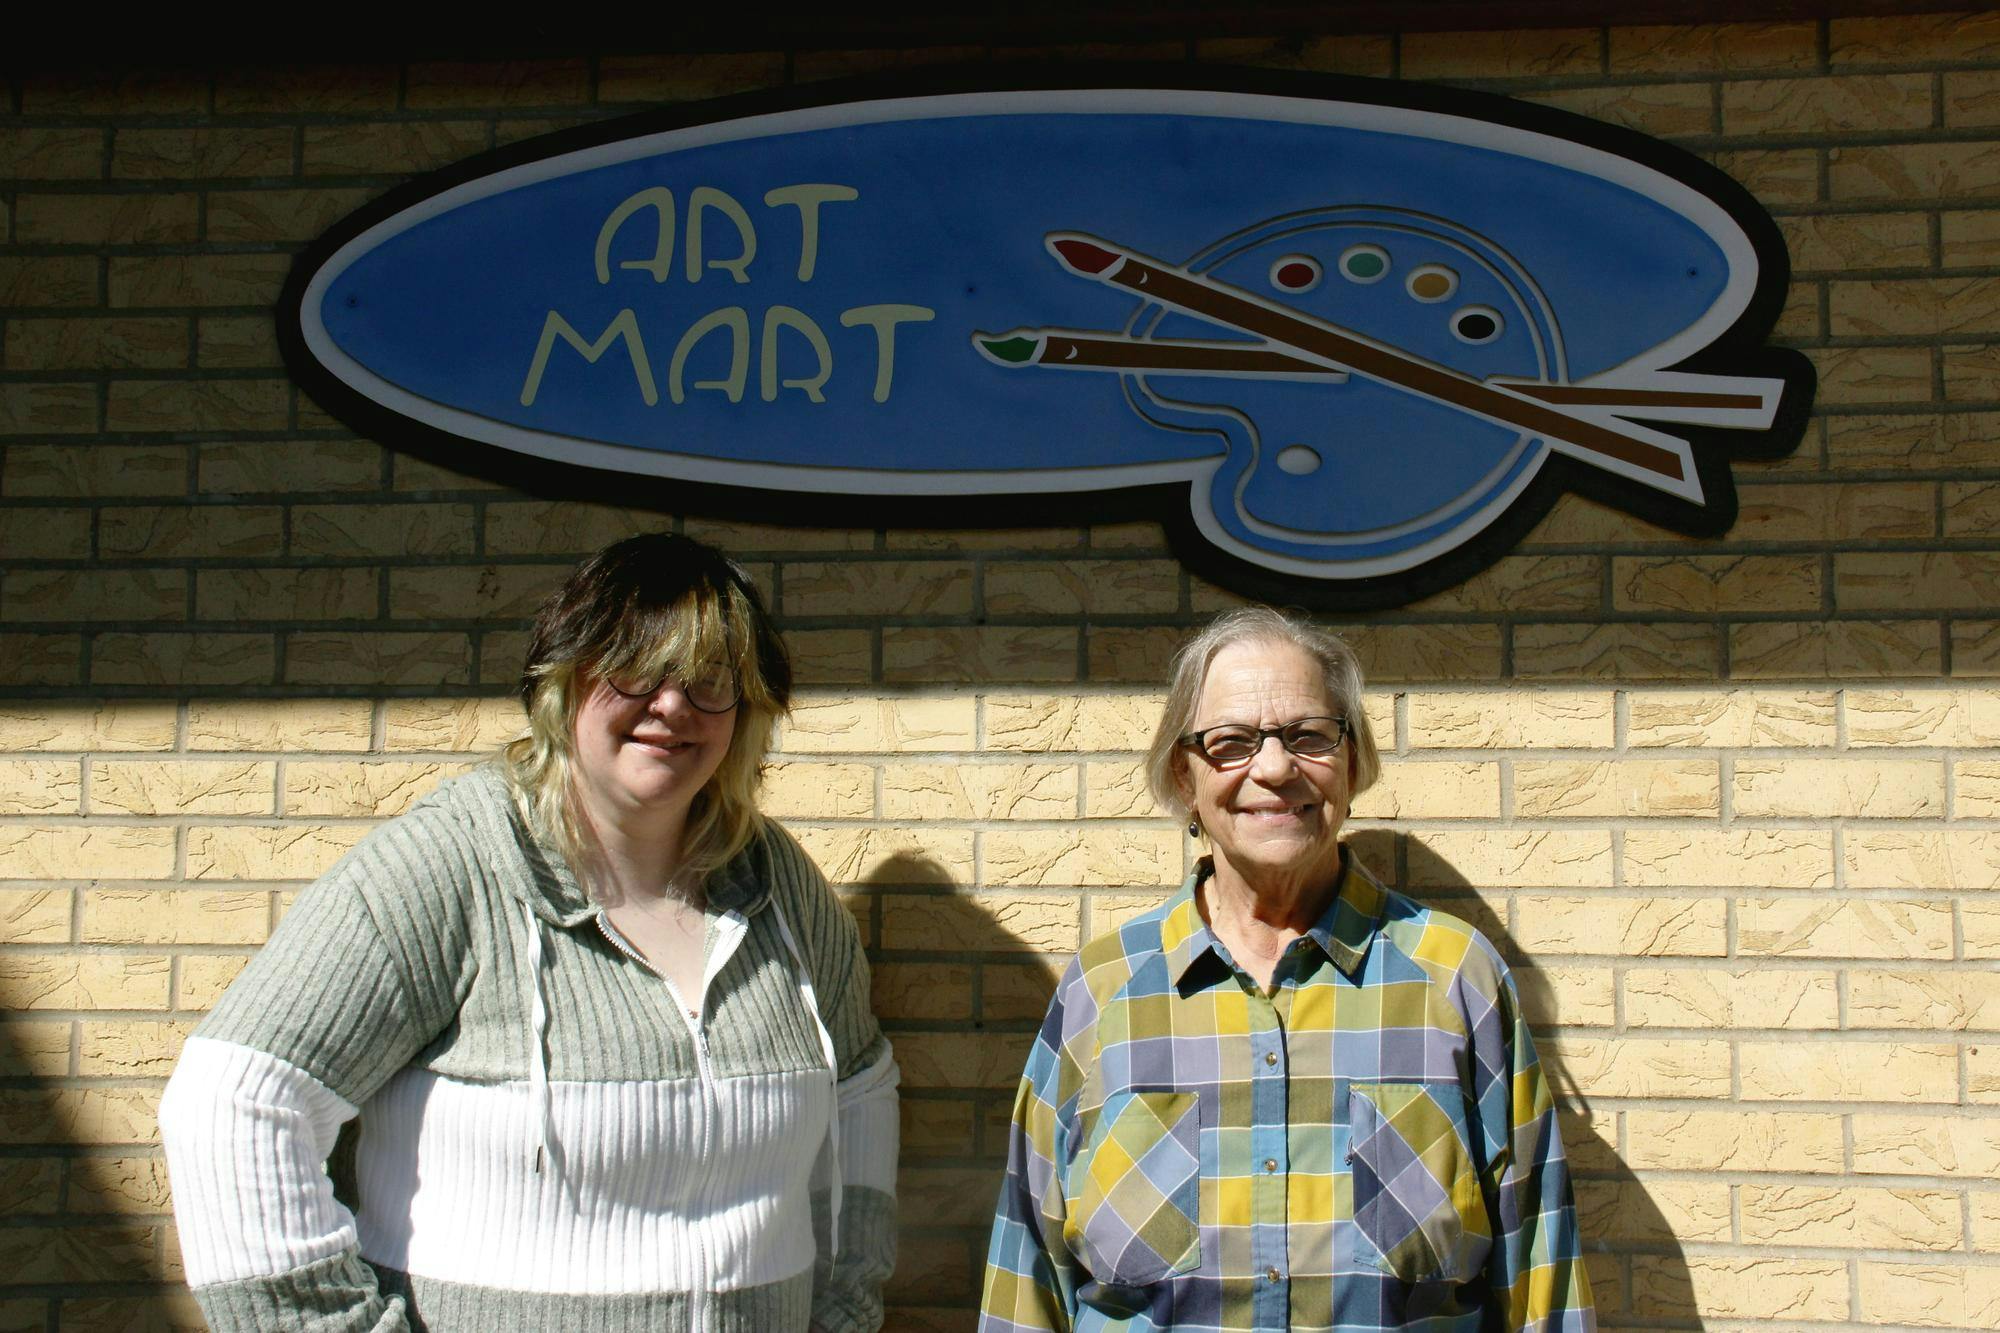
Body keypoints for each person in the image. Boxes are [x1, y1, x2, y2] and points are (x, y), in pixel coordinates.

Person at [161, 532, 899, 1332]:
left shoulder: (775, 885)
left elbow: (857, 1089)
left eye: (711, 680)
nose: (674, 705)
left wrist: (844, 1307)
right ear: (565, 679)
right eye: (636, 669)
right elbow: (233, 1100)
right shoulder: (458, 862)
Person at [978, 606, 1592, 1332]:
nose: (1273, 767)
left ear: (1354, 761)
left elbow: (1540, 1275)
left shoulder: (1455, 980)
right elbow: (1028, 1280)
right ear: (1185, 777)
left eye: (1308, 736)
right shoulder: (1104, 989)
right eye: (1231, 743)